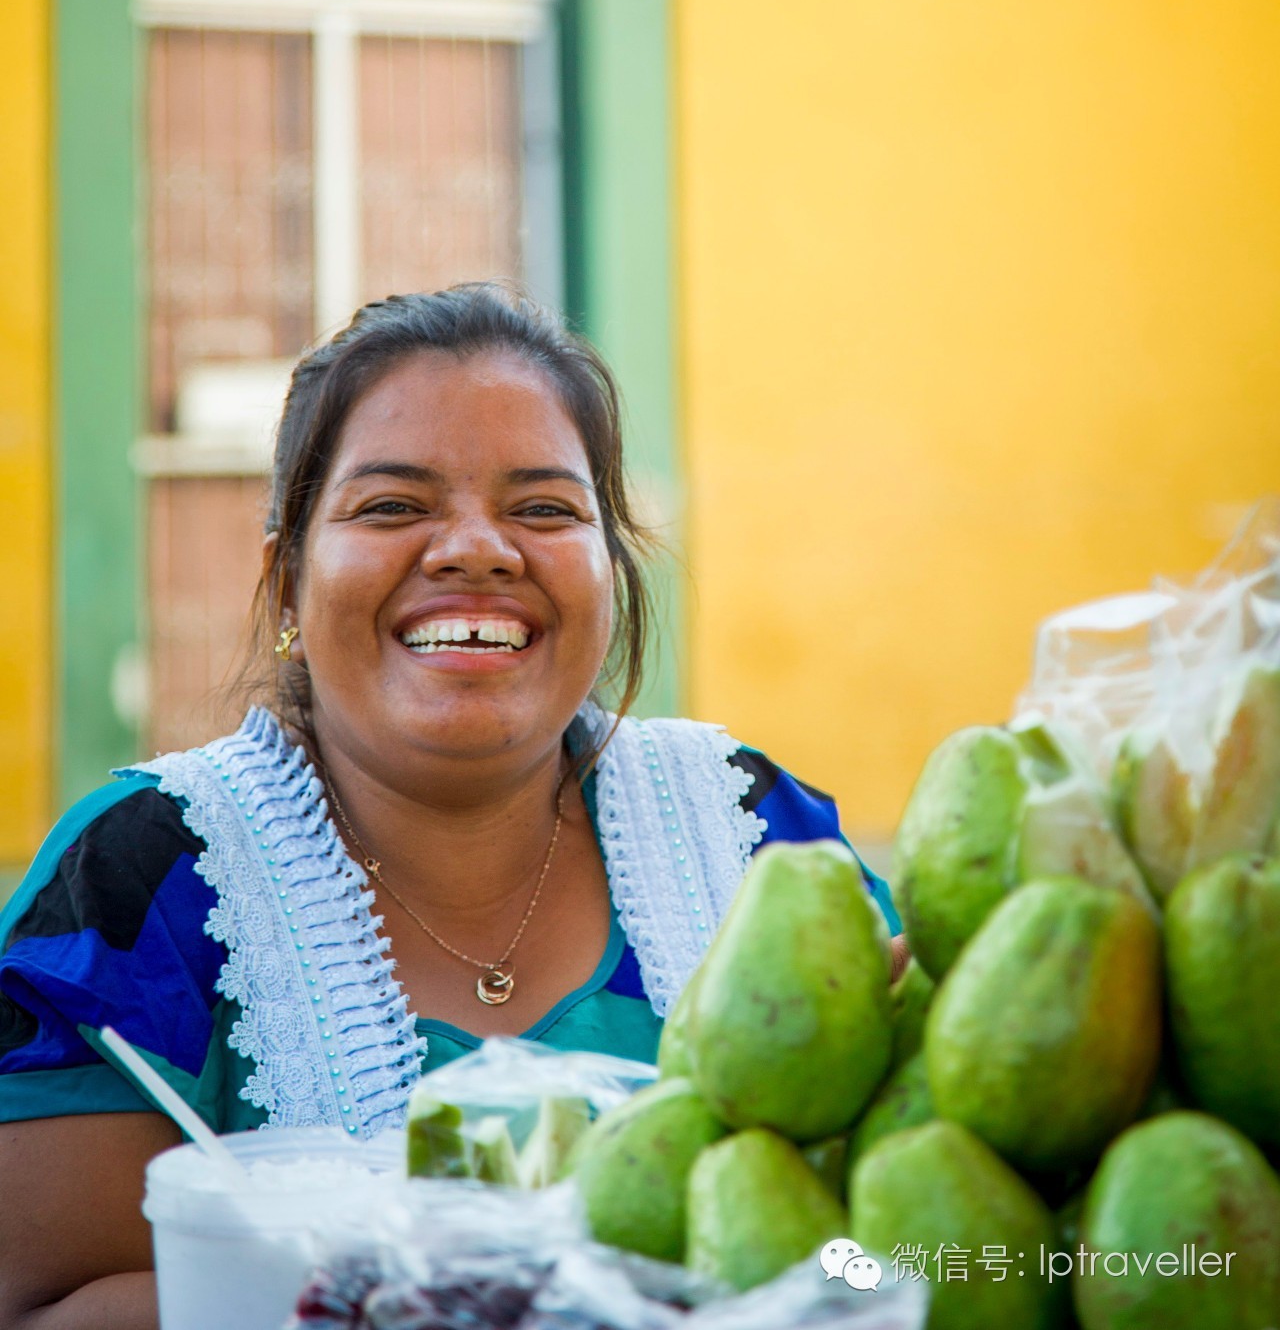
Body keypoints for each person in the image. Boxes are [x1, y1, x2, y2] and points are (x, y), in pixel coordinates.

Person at [0, 284, 901, 1329]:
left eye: (543, 509)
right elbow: (37, 1305)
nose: (476, 549)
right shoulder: (143, 881)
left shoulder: (753, 834)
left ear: (609, 571)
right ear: (286, 577)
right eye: (391, 506)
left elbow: (877, 1251)